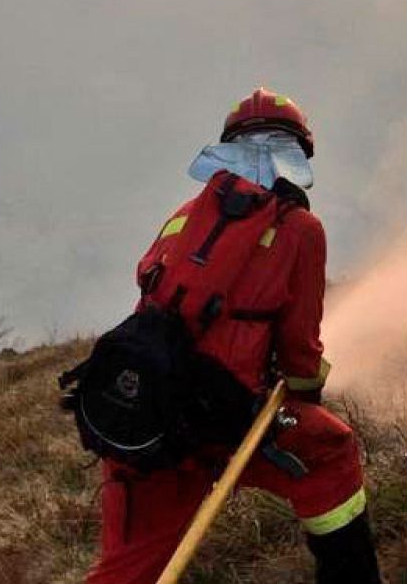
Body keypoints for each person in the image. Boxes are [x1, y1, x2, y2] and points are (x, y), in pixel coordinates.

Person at [84, 87, 383, 584]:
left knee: (129, 570)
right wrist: (306, 394)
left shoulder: (182, 217)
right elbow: (300, 352)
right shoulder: (301, 230)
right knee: (331, 453)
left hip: (139, 415)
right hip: (224, 423)